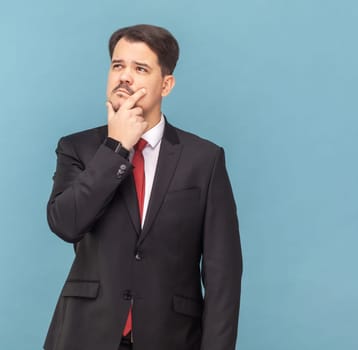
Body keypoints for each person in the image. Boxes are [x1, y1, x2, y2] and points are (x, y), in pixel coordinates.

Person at [44, 24, 242, 350]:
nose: (125, 76)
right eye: (118, 65)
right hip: (85, 336)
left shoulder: (204, 159)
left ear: (166, 84)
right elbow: (66, 224)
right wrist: (117, 148)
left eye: (140, 69)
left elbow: (224, 276)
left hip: (172, 337)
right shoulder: (77, 148)